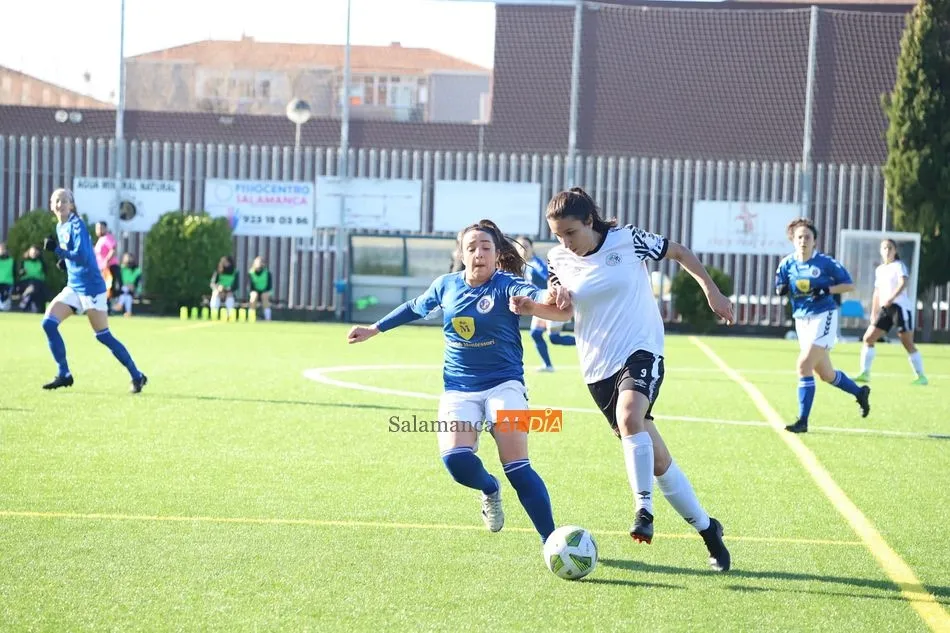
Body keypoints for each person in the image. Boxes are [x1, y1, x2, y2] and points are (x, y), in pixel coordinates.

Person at [509, 187, 733, 572]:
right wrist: (534, 306)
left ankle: (643, 510)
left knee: (631, 418)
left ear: (589, 222)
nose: (565, 241)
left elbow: (678, 252)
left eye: (571, 232)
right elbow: (564, 312)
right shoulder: (557, 259)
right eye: (558, 235)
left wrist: (711, 290)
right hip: (598, 368)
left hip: (642, 348)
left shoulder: (628, 240)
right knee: (658, 460)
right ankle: (709, 530)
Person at [347, 219, 557, 545]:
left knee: (516, 465)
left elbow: (535, 293)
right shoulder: (446, 285)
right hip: (459, 388)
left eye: (485, 247)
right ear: (461, 253)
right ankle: (489, 488)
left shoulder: (506, 285)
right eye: (471, 248)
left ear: (498, 253)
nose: (478, 254)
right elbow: (414, 307)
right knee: (456, 461)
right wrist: (374, 329)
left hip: (506, 385)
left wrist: (550, 294)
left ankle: (552, 541)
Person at [39, 188, 147, 393]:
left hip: (90, 288)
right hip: (74, 286)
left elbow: (81, 255)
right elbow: (77, 258)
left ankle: (137, 375)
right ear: (51, 205)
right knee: (48, 323)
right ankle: (64, 374)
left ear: (71, 204)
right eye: (55, 201)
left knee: (103, 335)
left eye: (63, 200)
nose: (59, 204)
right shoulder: (60, 225)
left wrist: (58, 251)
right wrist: (65, 262)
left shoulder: (76, 225)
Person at [774, 217, 870, 433]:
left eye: (807, 237)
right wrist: (781, 288)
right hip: (801, 319)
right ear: (793, 240)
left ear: (815, 241)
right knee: (826, 374)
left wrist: (826, 290)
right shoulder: (787, 263)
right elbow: (779, 284)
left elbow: (848, 285)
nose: (803, 241)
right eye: (799, 237)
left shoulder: (825, 263)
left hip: (823, 316)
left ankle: (802, 421)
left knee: (803, 365)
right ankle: (860, 393)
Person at [856, 239, 927, 385]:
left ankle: (921, 376)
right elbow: (877, 292)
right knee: (868, 338)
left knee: (907, 342)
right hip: (885, 310)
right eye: (884, 248)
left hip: (899, 308)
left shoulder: (898, 266)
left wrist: (892, 298)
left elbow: (903, 283)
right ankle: (865, 373)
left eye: (890, 248)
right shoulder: (880, 269)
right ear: (880, 251)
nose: (887, 251)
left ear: (895, 251)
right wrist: (874, 312)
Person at [515, 236, 576, 373]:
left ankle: (581, 342)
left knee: (554, 338)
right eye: (519, 246)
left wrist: (554, 297)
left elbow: (552, 280)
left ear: (532, 248)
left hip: (549, 304)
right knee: (536, 334)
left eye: (525, 246)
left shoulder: (537, 265)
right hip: (538, 305)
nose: (522, 249)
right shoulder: (520, 266)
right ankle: (548, 366)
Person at [94, 221, 121, 302]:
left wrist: (106, 261)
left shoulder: (107, 237)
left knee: (108, 287)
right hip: (102, 268)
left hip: (110, 267)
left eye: (101, 228)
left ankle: (109, 307)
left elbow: (113, 249)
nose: (99, 230)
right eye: (98, 228)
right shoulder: (100, 239)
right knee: (103, 287)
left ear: (105, 228)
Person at [17, 245, 48, 313]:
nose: (34, 254)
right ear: (29, 252)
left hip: (38, 284)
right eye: (32, 252)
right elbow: (19, 273)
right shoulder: (24, 262)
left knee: (36, 289)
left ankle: (25, 301)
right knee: (34, 285)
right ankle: (27, 292)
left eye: (35, 252)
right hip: (26, 282)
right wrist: (22, 272)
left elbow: (44, 274)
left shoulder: (41, 263)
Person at [248, 256, 274, 321]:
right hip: (255, 291)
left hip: (265, 291)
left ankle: (268, 318)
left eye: (261, 262)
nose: (259, 264)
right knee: (254, 296)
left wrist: (266, 292)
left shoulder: (267, 273)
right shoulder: (251, 273)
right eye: (258, 262)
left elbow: (269, 287)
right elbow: (250, 287)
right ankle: (251, 317)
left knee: (264, 296)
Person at [0, 242, 14, 311]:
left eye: (3, 249)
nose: (2, 251)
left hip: (7, 283)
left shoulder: (11, 260)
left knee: (5, 298)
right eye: (1, 249)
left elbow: (15, 273)